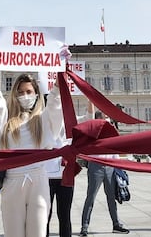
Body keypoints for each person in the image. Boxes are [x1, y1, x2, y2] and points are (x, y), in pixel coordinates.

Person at [0, 44, 64, 237]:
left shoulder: (43, 120)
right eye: (20, 92)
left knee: (38, 233)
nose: (24, 95)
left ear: (36, 94)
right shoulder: (5, 120)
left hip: (38, 179)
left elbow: (55, 98)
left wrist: (63, 67)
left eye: (28, 91)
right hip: (12, 181)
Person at [45, 99, 94, 237]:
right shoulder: (43, 120)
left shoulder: (71, 122)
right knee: (44, 216)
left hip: (65, 175)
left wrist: (89, 98)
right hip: (45, 175)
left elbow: (88, 119)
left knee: (65, 215)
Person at [79, 111, 129, 236]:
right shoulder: (92, 132)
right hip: (95, 166)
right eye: (105, 117)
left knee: (111, 197)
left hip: (110, 166)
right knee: (91, 197)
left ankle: (116, 224)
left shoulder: (110, 131)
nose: (108, 119)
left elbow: (114, 148)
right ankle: (84, 227)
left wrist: (118, 165)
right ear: (98, 119)